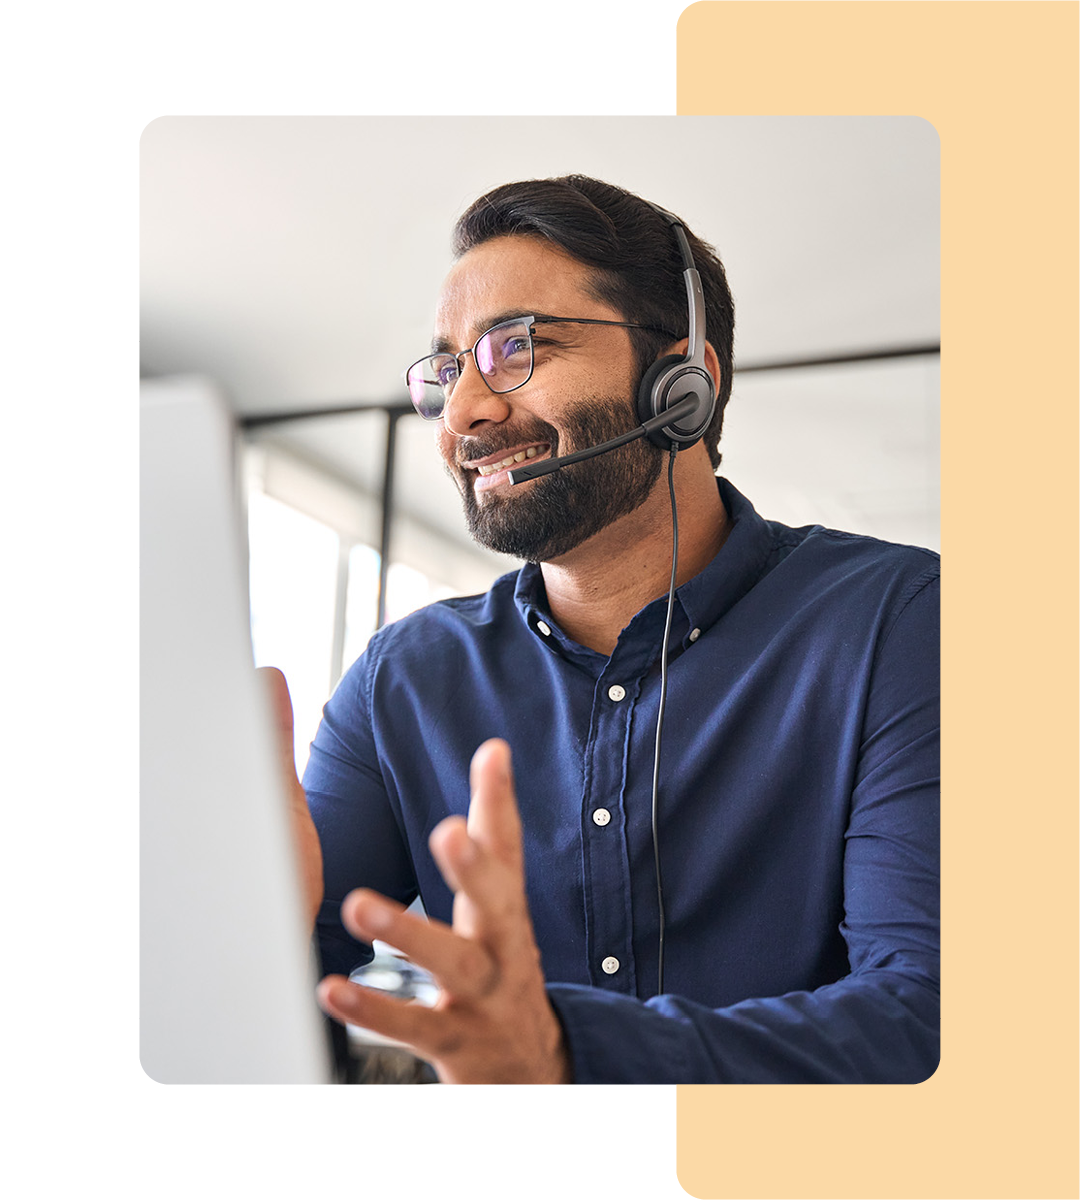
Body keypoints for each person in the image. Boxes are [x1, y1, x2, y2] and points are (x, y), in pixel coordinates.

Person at [284, 175, 939, 1084]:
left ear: (684, 384)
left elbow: (931, 1021)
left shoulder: (901, 623)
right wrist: (232, 917)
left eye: (515, 348)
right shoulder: (404, 678)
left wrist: (564, 1054)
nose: (465, 411)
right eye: (447, 370)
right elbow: (278, 1000)